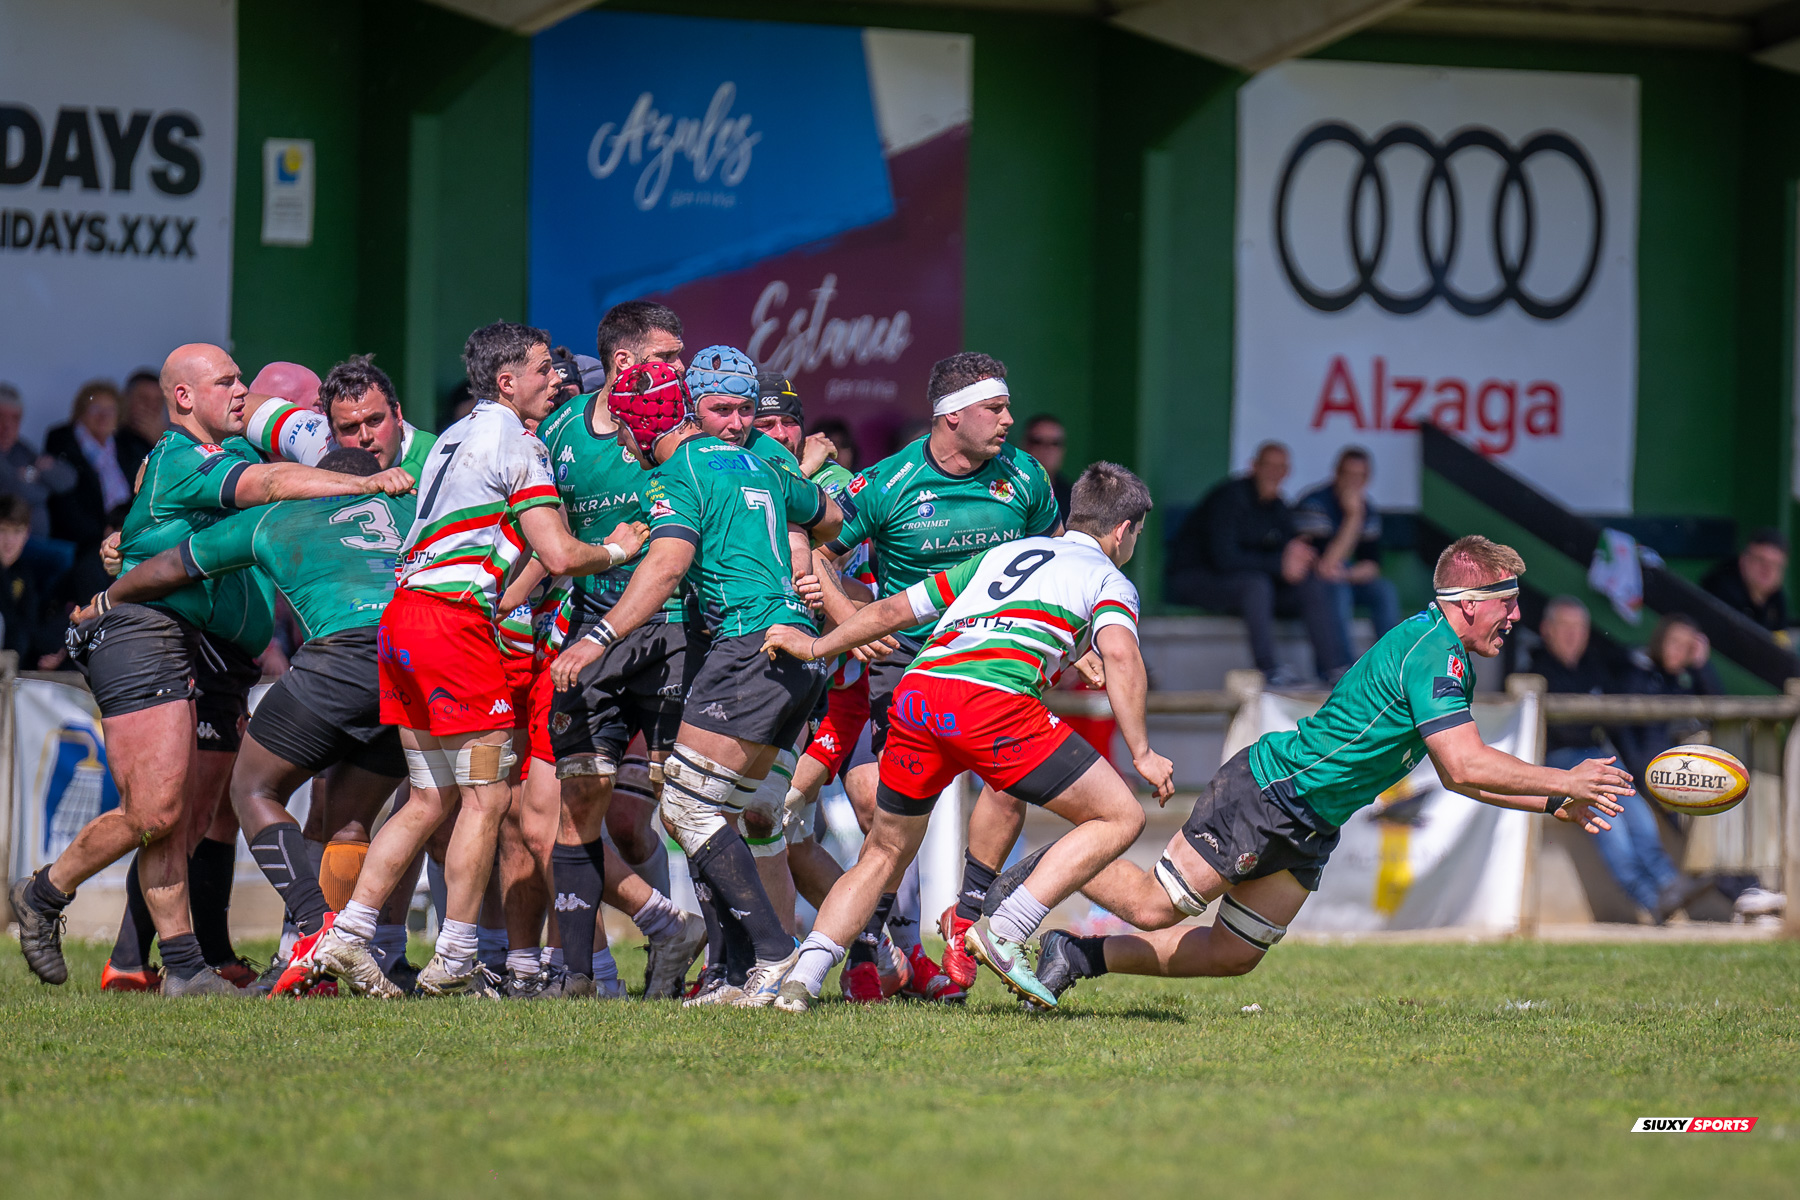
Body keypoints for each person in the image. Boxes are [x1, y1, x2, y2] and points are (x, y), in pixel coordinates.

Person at [997, 536, 1631, 1000]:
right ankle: (1053, 864)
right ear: (1466, 603)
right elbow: (1468, 762)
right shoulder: (1433, 653)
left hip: (1311, 822)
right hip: (1274, 794)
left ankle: (1077, 954)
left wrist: (1554, 802)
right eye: (1507, 603)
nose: (1516, 616)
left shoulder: (1442, 653)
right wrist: (1565, 779)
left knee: (1230, 955)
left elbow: (1458, 776)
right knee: (1154, 906)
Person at [11, 343, 414, 996]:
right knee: (168, 807)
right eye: (242, 390)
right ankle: (60, 901)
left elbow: (178, 532)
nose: (253, 403)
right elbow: (245, 505)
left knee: (195, 812)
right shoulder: (228, 463)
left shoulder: (237, 463)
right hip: (156, 632)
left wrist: (128, 543)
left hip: (217, 645)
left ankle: (195, 963)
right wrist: (364, 482)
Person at [309, 321, 641, 999]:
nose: (556, 380)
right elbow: (558, 555)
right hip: (453, 625)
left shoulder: (456, 433)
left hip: (403, 620)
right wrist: (619, 548)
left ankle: (346, 935)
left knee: (430, 796)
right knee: (488, 797)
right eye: (545, 369)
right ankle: (457, 952)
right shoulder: (516, 440)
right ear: (506, 380)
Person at [767, 462, 1173, 1011]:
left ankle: (802, 979)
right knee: (1121, 816)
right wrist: (1143, 753)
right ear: (1123, 531)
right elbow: (1122, 652)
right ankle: (1005, 928)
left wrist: (817, 646)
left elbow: (894, 609)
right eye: (1137, 534)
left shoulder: (1003, 555)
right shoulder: (1109, 578)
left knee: (884, 851)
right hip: (990, 702)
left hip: (919, 695)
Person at [549, 349, 848, 1008]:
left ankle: (774, 956)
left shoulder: (678, 469)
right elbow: (831, 515)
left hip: (748, 648)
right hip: (795, 651)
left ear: (645, 424)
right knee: (728, 812)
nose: (625, 443)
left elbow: (663, 569)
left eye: (626, 432)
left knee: (687, 806)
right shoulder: (766, 460)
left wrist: (599, 636)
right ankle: (736, 973)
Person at [814, 352, 1062, 999]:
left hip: (1000, 659)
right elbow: (818, 552)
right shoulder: (887, 483)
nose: (1009, 419)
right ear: (952, 417)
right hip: (909, 663)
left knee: (1012, 786)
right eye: (995, 408)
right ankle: (874, 943)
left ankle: (968, 915)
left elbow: (1058, 563)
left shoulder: (1026, 479)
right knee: (875, 799)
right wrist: (849, 615)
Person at [1533, 601, 1714, 925]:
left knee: (1637, 814)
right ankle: (1652, 901)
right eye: (1567, 627)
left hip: (1598, 758)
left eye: (1581, 628)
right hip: (1560, 765)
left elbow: (1619, 712)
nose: (1575, 636)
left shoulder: (1595, 666)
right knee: (1610, 827)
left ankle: (1670, 885)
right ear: (1547, 630)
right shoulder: (1534, 668)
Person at [1164, 441, 1343, 686]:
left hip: (1247, 588)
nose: (1274, 473)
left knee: (1308, 584)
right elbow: (1224, 559)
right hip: (1197, 579)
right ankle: (1269, 670)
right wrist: (1279, 565)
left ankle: (1331, 670)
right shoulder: (1228, 497)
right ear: (1253, 466)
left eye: (1281, 468)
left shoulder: (1278, 506)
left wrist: (1296, 560)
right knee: (1256, 584)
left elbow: (1287, 556)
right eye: (1268, 466)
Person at [1294, 447, 1400, 659]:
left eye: (1360, 476)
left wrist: (1346, 575)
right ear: (1336, 474)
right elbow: (1326, 566)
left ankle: (1392, 667)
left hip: (1342, 576)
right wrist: (1353, 518)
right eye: (1348, 474)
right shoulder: (1315, 503)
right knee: (1337, 589)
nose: (1354, 482)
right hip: (1311, 583)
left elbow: (1371, 566)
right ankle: (1343, 671)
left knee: (1383, 590)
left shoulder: (1367, 509)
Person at [46, 381, 151, 556]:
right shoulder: (62, 442)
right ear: (81, 412)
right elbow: (66, 505)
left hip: (127, 533)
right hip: (86, 541)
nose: (103, 416)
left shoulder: (127, 444)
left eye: (110, 410)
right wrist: (105, 535)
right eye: (95, 409)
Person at [320, 354, 438, 479]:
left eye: (375, 420)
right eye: (350, 427)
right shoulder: (318, 448)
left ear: (398, 415)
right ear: (333, 432)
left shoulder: (435, 460)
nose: (365, 437)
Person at [0, 384, 78, 540]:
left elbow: (68, 480)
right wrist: (39, 478)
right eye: (1, 417)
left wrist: (29, 475)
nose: (7, 425)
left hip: (33, 541)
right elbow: (17, 489)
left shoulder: (21, 449)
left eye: (15, 418)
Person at [0, 496, 63, 667]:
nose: (9, 541)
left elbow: (30, 622)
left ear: (27, 533)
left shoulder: (22, 572)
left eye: (17, 532)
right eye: (3, 530)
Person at [1702, 528, 1788, 645]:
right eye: (1760, 560)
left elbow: (1780, 643)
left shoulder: (1777, 598)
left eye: (1775, 565)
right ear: (1743, 560)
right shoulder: (1721, 588)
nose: (1767, 570)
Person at [1019, 413, 1073, 522]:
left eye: (1055, 443)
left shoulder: (1073, 498)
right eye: (1038, 441)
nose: (1046, 449)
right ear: (1024, 445)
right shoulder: (1008, 486)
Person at [122, 369, 168, 444]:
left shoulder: (174, 438)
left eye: (158, 400)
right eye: (144, 398)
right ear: (128, 399)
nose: (152, 406)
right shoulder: (111, 438)